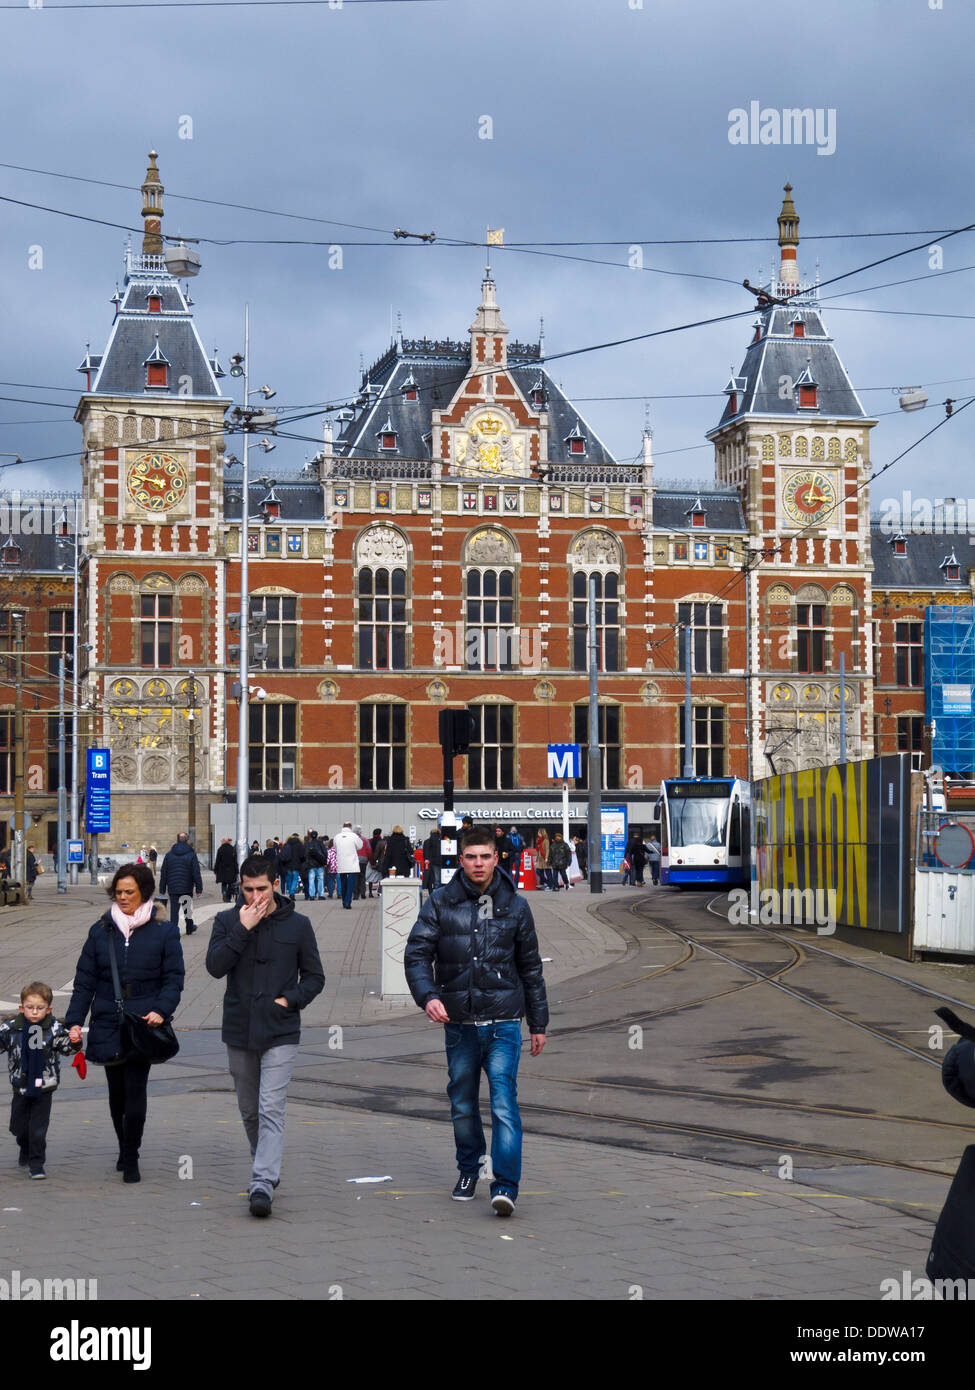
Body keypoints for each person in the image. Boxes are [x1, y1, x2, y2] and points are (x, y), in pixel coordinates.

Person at [405, 827, 548, 1217]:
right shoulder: (440, 902)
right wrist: (428, 996)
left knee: (503, 1104)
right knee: (463, 1103)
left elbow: (531, 968)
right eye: (471, 857)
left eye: (485, 856)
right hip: (461, 1023)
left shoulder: (516, 906)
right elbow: (417, 954)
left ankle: (505, 1186)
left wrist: (538, 1023)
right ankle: (469, 1169)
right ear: (461, 859)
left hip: (503, 1022)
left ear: (496, 858)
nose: (479, 864)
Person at [205, 854, 325, 1218]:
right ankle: (266, 1166)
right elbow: (214, 967)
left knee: (271, 1106)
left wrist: (290, 999)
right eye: (247, 889)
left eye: (261, 888)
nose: (254, 896)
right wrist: (242, 929)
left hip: (280, 1027)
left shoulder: (299, 925)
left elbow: (315, 977)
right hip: (239, 1027)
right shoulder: (228, 921)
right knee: (249, 1110)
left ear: (276, 885)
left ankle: (261, 1181)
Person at [66, 862, 184, 1183]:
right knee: (115, 1093)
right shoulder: (100, 931)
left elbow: (174, 979)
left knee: (135, 1090)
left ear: (144, 892)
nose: (122, 897)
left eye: (129, 892)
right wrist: (74, 1021)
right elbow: (84, 981)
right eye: (118, 892)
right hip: (107, 1019)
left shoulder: (165, 932)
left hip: (143, 1021)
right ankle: (123, 1145)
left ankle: (131, 1154)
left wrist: (162, 1009)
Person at [0, 981, 80, 1179]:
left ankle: (37, 1164)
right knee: (18, 1127)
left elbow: (66, 1048)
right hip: (20, 1085)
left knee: (38, 1128)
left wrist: (75, 1041)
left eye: (39, 1008)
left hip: (44, 1086)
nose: (34, 1012)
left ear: (48, 1009)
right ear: (21, 1008)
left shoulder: (53, 1028)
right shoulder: (12, 1028)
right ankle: (24, 1146)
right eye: (30, 1008)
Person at [158, 832, 203, 935]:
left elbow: (164, 872)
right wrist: (199, 888)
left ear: (177, 840)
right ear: (187, 841)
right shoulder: (191, 854)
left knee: (174, 911)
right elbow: (196, 872)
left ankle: (173, 930)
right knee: (187, 910)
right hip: (186, 887)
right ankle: (189, 928)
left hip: (173, 887)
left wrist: (162, 888)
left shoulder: (169, 855)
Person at [332, 822, 363, 909]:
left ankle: (344, 901)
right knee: (350, 883)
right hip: (352, 863)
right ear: (350, 827)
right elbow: (360, 846)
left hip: (341, 863)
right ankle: (348, 902)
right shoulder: (354, 836)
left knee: (343, 883)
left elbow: (335, 847)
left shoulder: (336, 837)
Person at [278, 833, 306, 900]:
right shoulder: (300, 845)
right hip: (296, 865)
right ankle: (292, 893)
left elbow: (282, 855)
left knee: (289, 880)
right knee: (295, 880)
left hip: (287, 865)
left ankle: (290, 891)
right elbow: (302, 856)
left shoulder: (286, 845)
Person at [213, 837, 239, 903]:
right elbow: (235, 861)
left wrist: (215, 870)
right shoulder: (232, 849)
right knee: (230, 884)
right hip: (231, 870)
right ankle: (228, 896)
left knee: (224, 883)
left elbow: (217, 861)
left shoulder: (220, 849)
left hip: (222, 870)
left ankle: (224, 893)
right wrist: (237, 870)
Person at [304, 830, 328, 900]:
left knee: (311, 880)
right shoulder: (320, 843)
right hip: (320, 864)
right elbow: (325, 853)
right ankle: (320, 895)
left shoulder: (307, 844)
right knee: (320, 879)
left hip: (311, 865)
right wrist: (324, 861)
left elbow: (305, 855)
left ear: (310, 836)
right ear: (317, 836)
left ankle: (312, 895)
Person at [421, 828, 441, 899]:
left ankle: (431, 894)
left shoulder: (426, 841)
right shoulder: (440, 841)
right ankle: (438, 894)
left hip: (429, 862)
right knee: (437, 879)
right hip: (438, 862)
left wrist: (426, 859)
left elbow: (425, 852)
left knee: (430, 879)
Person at [366, 828, 386, 898]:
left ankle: (370, 892)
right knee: (380, 877)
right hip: (380, 862)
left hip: (371, 860)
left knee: (370, 877)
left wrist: (371, 862)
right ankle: (379, 891)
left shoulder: (370, 841)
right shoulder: (381, 842)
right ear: (380, 834)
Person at [354, 826, 371, 901]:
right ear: (360, 832)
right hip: (364, 859)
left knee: (355, 877)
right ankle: (363, 893)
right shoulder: (365, 840)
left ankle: (356, 894)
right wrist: (370, 859)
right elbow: (369, 850)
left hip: (354, 859)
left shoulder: (352, 839)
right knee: (362, 876)